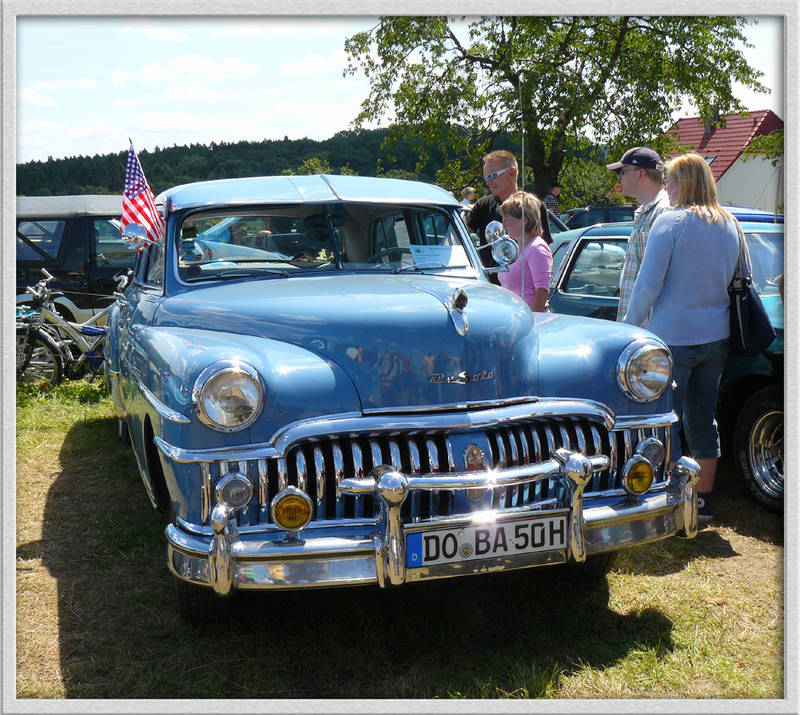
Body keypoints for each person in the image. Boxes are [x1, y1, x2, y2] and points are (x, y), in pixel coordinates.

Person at [622, 153, 740, 526]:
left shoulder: (670, 223)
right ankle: (703, 501)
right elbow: (738, 279)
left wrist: (628, 329)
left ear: (684, 183)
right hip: (716, 336)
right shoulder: (730, 223)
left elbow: (647, 286)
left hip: (672, 338)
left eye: (670, 180)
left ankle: (668, 496)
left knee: (665, 419)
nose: (666, 186)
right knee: (704, 419)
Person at [606, 147, 671, 324]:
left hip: (650, 327)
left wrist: (630, 324)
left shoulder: (663, 212)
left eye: (622, 171)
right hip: (639, 325)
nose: (619, 178)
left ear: (640, 174)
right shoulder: (644, 211)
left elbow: (656, 278)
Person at [466, 150, 519, 283]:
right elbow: (459, 235)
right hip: (488, 287)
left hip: (522, 290)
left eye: (493, 176)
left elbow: (542, 252)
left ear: (512, 173)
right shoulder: (484, 205)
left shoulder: (532, 207)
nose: (488, 182)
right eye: (486, 178)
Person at [497, 191, 553, 312]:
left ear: (524, 220)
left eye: (508, 219)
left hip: (530, 321)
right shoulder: (515, 248)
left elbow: (542, 290)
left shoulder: (537, 247)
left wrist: (534, 320)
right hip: (514, 319)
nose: (504, 223)